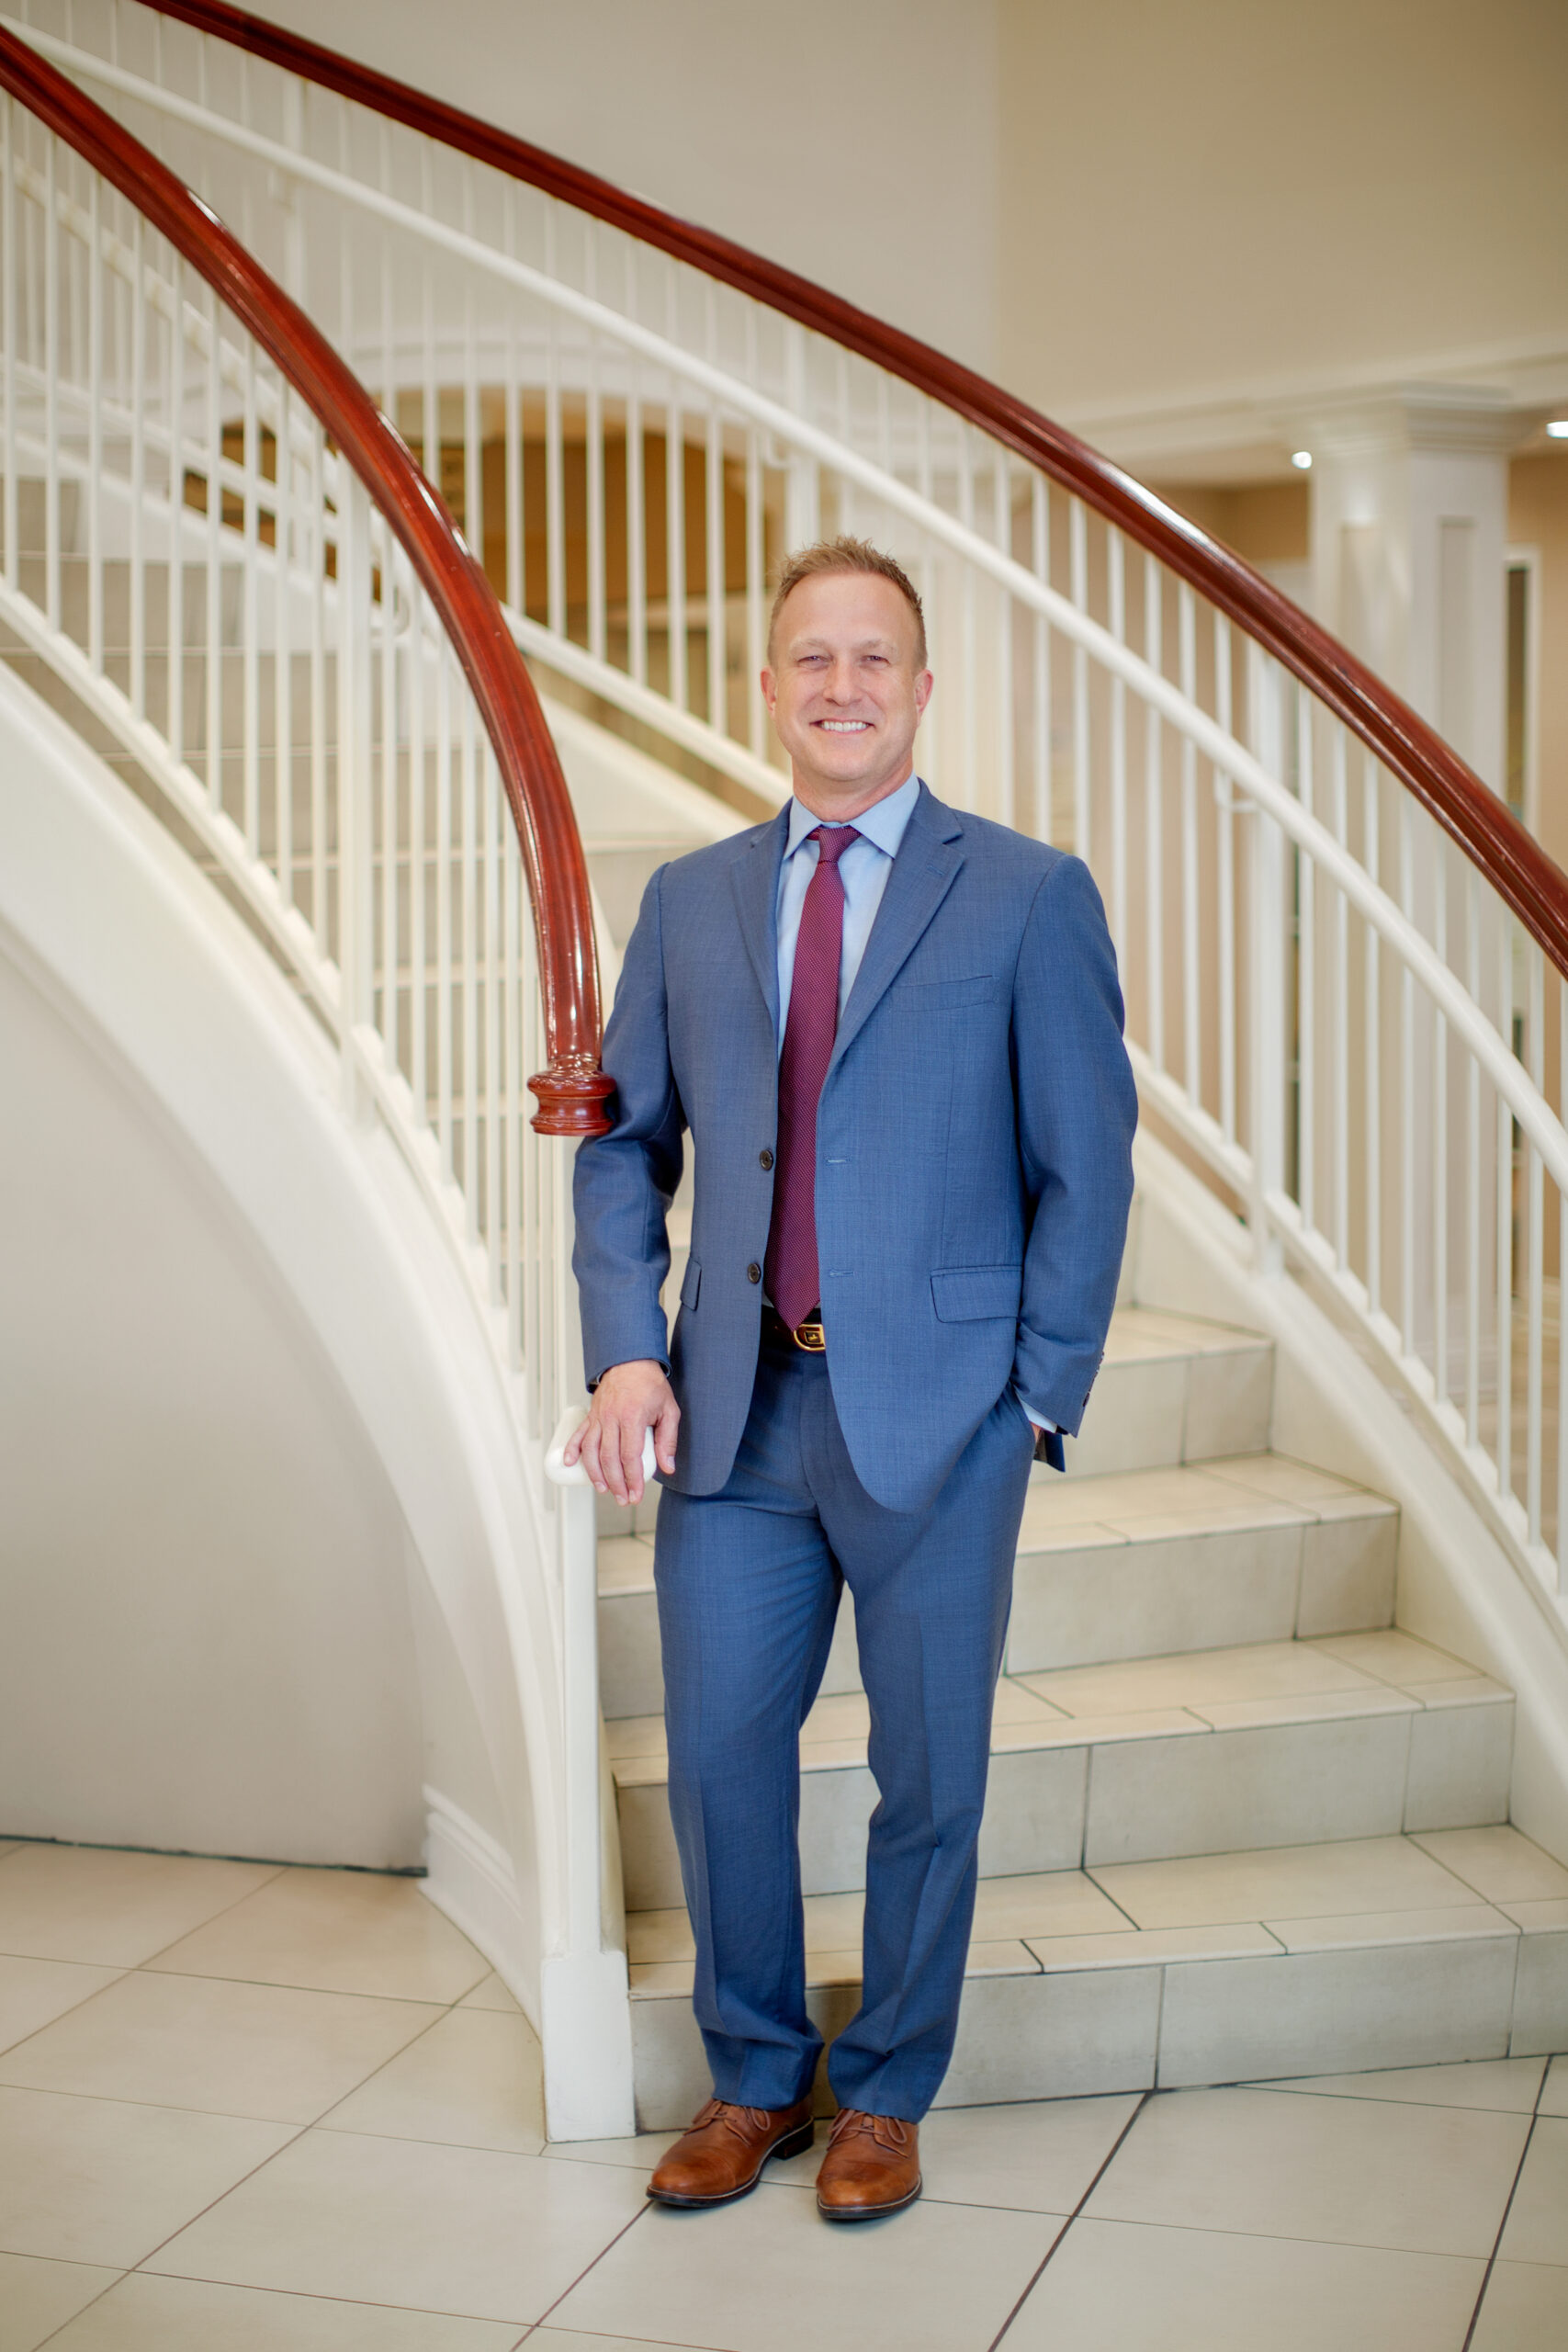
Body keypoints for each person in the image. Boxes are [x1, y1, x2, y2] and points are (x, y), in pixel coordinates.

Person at [566, 536, 1136, 2220]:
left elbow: (1085, 1174)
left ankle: (884, 2091)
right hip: (734, 1410)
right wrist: (622, 1342)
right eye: (809, 657)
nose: (840, 686)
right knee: (724, 1762)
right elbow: (621, 1150)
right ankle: (753, 2083)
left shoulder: (1029, 893)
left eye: (872, 658)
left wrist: (1036, 1392)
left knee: (930, 1772)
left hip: (940, 1416)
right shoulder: (692, 900)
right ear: (766, 686)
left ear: (924, 686)